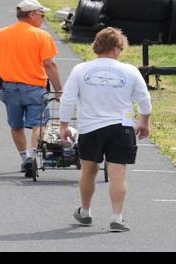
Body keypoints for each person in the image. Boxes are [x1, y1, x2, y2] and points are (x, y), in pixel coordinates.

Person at [61, 27, 151, 232]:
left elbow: (67, 99)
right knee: (117, 173)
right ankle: (117, 217)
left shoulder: (81, 70)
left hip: (90, 127)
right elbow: (144, 100)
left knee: (88, 171)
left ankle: (85, 211)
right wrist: (144, 122)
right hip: (122, 126)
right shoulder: (130, 71)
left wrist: (64, 125)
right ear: (117, 49)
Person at [0, 0, 63, 178]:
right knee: (39, 124)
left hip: (9, 88)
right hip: (34, 88)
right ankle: (33, 156)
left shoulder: (1, 34)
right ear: (32, 14)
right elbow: (49, 64)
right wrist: (58, 90)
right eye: (42, 15)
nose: (43, 19)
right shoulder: (41, 36)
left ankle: (24, 157)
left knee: (16, 125)